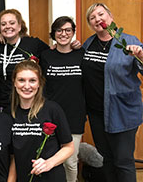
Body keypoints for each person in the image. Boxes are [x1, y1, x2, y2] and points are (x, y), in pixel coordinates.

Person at [82, 3, 143, 182]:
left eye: (101, 14)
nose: (98, 19)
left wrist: (141, 56)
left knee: (123, 161)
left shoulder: (129, 41)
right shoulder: (89, 44)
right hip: (97, 113)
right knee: (107, 160)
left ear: (110, 16)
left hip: (123, 112)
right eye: (92, 18)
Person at [0, 9, 81, 114]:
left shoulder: (33, 44)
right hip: (4, 104)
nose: (7, 26)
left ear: (20, 26)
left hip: (29, 104)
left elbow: (53, 51)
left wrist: (71, 45)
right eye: (3, 24)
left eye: (12, 23)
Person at [11, 60, 74, 182]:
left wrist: (49, 163)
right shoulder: (9, 113)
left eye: (32, 80)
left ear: (39, 83)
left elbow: (69, 147)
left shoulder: (52, 109)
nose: (27, 86)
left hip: (51, 177)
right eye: (21, 80)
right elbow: (12, 156)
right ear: (14, 82)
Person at [40, 16, 86, 182]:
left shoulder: (82, 54)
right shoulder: (46, 56)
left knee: (70, 162)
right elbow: (42, 87)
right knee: (51, 159)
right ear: (53, 33)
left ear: (73, 32)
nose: (63, 34)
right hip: (51, 115)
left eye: (68, 30)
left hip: (75, 115)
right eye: (59, 30)